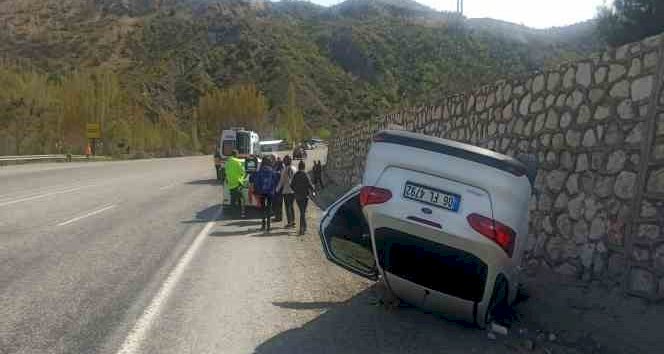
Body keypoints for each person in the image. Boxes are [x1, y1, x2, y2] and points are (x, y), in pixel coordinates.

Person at [250, 156, 280, 232]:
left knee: (262, 208)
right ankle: (269, 227)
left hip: (262, 192)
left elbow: (256, 181)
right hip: (270, 192)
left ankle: (263, 225)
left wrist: (256, 191)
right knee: (269, 208)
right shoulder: (272, 171)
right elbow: (276, 180)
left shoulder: (260, 171)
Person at [291, 160, 316, 235]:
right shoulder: (305, 174)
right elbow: (310, 185)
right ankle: (302, 228)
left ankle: (304, 227)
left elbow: (291, 185)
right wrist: (313, 189)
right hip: (305, 196)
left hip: (297, 196)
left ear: (299, 166)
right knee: (302, 212)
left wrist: (295, 190)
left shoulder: (296, 175)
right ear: (304, 166)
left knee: (302, 212)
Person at [224, 149, 247, 218]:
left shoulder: (227, 162)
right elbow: (242, 171)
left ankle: (233, 213)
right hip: (238, 183)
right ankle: (242, 214)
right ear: (236, 154)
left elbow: (226, 172)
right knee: (242, 199)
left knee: (233, 199)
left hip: (231, 184)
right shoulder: (237, 161)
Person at [277, 155, 296, 228]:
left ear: (285, 161)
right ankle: (293, 221)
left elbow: (281, 182)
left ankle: (289, 223)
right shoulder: (294, 169)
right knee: (292, 206)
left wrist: (276, 189)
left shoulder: (284, 170)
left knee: (287, 207)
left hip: (286, 190)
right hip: (293, 191)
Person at [273, 157, 284, 222]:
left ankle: (278, 217)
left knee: (278, 204)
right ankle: (278, 217)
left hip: (278, 189)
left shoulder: (279, 171)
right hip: (279, 189)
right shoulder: (279, 169)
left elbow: (280, 180)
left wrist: (277, 189)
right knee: (278, 204)